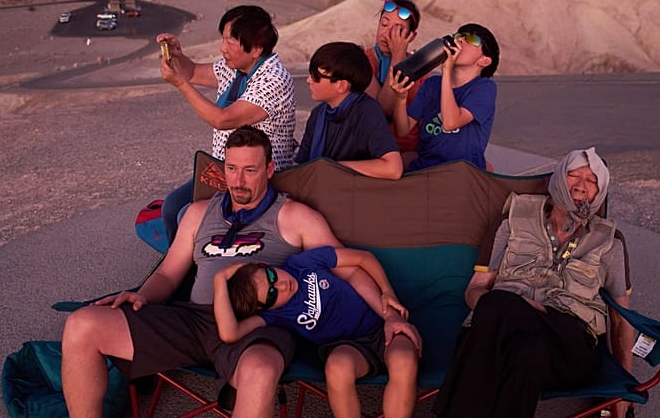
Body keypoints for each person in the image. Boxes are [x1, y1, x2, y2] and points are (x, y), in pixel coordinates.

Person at [61, 126, 408, 418]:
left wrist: (388, 315)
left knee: (259, 369)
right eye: (231, 168)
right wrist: (142, 295)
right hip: (194, 319)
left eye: (250, 170)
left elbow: (348, 270)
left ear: (270, 169)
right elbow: (168, 275)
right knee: (82, 325)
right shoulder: (198, 213)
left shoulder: (295, 217)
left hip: (258, 326)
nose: (238, 181)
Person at [431, 147, 635, 418]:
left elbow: (622, 321)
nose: (582, 186)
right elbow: (474, 289)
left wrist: (625, 386)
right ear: (559, 179)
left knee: (500, 309)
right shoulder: (513, 219)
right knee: (524, 349)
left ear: (600, 192)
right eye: (574, 175)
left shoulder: (610, 241)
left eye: (592, 180)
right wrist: (514, 310)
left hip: (570, 344)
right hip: (511, 338)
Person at [217, 247, 422, 417]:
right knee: (337, 367)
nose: (282, 285)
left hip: (381, 324)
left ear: (265, 265)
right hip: (348, 346)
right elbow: (230, 333)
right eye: (272, 294)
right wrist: (220, 279)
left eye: (271, 275)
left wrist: (387, 296)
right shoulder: (276, 316)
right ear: (264, 308)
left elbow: (362, 258)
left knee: (403, 359)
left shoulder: (301, 264)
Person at [157, 5, 296, 243]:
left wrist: (180, 85)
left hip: (257, 175)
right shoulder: (236, 68)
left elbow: (223, 119)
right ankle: (179, 265)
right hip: (225, 169)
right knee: (171, 208)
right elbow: (192, 72)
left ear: (256, 49)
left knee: (185, 215)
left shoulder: (274, 79)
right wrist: (177, 56)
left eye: (230, 42)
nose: (223, 48)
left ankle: (197, 270)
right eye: (223, 39)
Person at [388, 23, 500, 172]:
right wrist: (400, 98)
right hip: (425, 169)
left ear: (484, 61)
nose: (460, 40)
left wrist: (446, 70)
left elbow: (451, 123)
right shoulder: (431, 84)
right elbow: (403, 129)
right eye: (460, 35)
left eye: (472, 39)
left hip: (462, 173)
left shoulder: (484, 88)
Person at [294, 42, 402, 180]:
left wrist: (335, 168)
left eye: (316, 76)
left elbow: (393, 168)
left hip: (354, 196)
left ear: (341, 86)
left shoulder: (367, 111)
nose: (309, 80)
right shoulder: (318, 115)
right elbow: (302, 164)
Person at [364, 0, 426, 156]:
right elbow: (383, 110)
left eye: (397, 30)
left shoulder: (421, 69)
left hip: (408, 149)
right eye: (384, 25)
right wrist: (397, 56)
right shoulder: (363, 61)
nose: (387, 34)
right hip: (373, 149)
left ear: (411, 36)